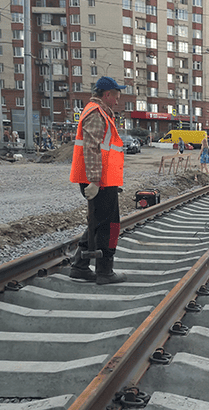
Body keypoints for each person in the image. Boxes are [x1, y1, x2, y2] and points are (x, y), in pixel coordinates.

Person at [69, 76, 127, 285]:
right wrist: (94, 181)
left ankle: (79, 266)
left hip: (103, 179)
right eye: (116, 96)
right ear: (107, 94)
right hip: (98, 181)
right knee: (108, 225)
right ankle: (104, 271)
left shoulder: (100, 112)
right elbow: (92, 148)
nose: (117, 101)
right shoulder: (96, 113)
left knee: (98, 221)